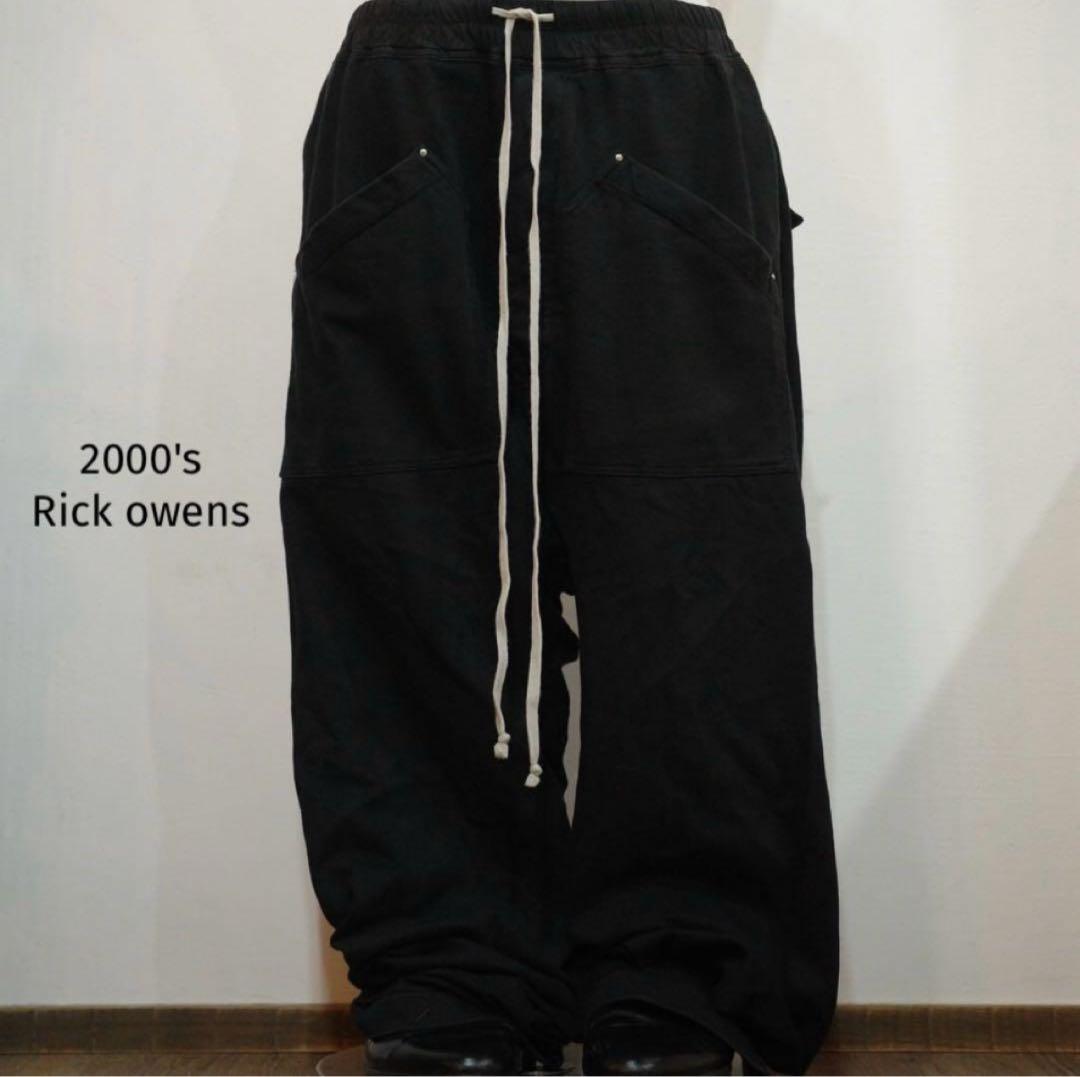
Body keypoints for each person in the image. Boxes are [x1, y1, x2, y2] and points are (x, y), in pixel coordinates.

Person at [279, 0, 839, 1072]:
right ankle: (452, 977)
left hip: (659, 92)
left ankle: (683, 981)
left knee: (698, 566)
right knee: (402, 554)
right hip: (409, 94)